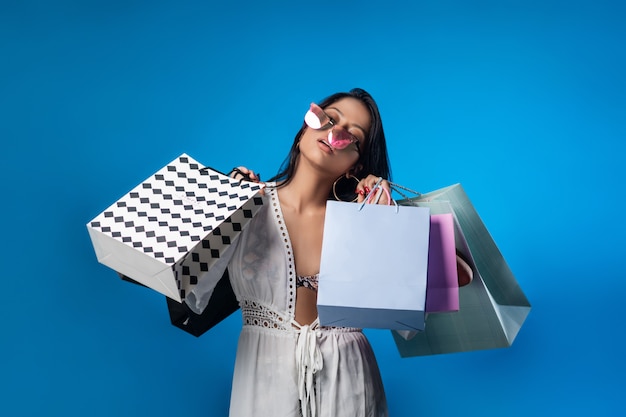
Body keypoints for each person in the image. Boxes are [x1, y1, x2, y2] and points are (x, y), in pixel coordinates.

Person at [185, 88, 392, 417]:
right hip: (262, 376)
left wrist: (387, 223)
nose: (334, 133)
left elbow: (433, 295)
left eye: (352, 135)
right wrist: (221, 205)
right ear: (302, 133)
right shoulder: (244, 204)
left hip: (349, 380)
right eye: (327, 119)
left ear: (357, 163)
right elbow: (190, 285)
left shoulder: (367, 218)